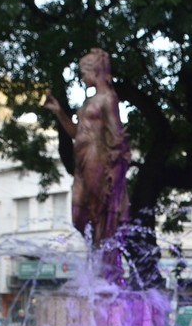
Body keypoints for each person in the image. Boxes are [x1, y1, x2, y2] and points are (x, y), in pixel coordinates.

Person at [43, 47, 131, 283]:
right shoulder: (89, 100)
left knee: (98, 211)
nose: (82, 77)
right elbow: (76, 132)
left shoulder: (108, 98)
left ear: (96, 70)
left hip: (97, 159)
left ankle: (107, 269)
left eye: (84, 71)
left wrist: (116, 168)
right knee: (78, 213)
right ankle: (98, 260)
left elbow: (117, 133)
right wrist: (60, 113)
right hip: (82, 159)